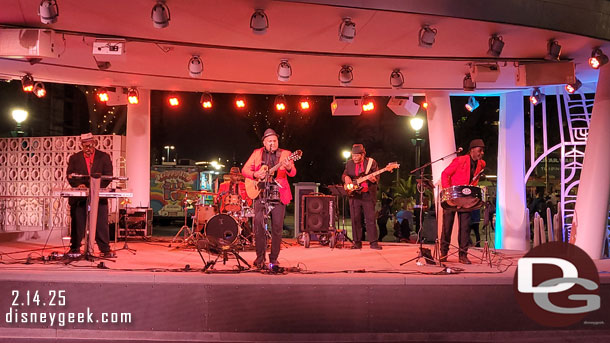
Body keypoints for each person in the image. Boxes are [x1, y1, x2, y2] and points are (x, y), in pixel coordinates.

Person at [242, 128, 297, 268]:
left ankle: (274, 259)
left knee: (277, 228)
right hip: (261, 194)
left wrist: (289, 167)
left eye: (275, 140)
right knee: (259, 226)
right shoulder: (257, 153)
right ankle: (260, 258)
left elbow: (293, 173)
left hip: (278, 194)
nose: (273, 143)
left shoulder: (286, 154)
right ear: (264, 143)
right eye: (270, 141)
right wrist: (255, 175)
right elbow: (245, 170)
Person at [66, 133, 115, 258]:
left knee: (101, 222)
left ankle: (105, 248)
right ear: (81, 145)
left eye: (91, 145)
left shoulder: (103, 157)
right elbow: (70, 175)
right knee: (78, 221)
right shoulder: (74, 158)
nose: (89, 148)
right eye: (86, 145)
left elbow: (108, 175)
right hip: (80, 198)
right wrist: (80, 184)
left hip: (98, 195)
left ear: (95, 143)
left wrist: (95, 185)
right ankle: (75, 247)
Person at [440, 139, 486, 264]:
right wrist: (448, 191)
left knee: (465, 228)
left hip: (466, 200)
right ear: (471, 150)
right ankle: (443, 253)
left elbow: (474, 179)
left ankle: (463, 255)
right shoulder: (460, 160)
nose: (481, 153)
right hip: (453, 198)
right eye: (479, 150)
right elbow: (445, 174)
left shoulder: (481, 164)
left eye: (482, 151)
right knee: (447, 227)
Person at [342, 144, 382, 250]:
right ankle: (357, 243)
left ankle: (373, 243)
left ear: (362, 154)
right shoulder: (349, 163)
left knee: (370, 219)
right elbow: (344, 174)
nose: (354, 158)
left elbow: (376, 177)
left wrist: (373, 179)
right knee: (355, 219)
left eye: (356, 156)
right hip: (354, 195)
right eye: (353, 155)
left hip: (367, 194)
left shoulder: (371, 163)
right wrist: (346, 178)